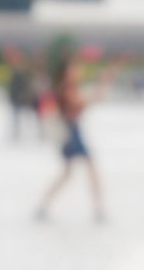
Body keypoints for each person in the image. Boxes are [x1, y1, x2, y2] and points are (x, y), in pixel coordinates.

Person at [34, 53, 114, 222]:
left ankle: (43, 205)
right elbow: (82, 103)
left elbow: (88, 102)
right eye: (74, 68)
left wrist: (102, 83)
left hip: (73, 131)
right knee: (86, 169)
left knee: (70, 173)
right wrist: (101, 83)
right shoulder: (65, 88)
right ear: (66, 71)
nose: (77, 71)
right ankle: (98, 208)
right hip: (71, 133)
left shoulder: (69, 87)